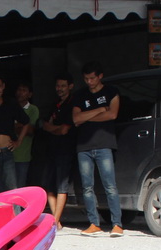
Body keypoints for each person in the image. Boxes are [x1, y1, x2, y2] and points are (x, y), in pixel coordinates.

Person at [73, 61, 123, 237]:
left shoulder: (111, 91)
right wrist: (100, 109)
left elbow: (112, 114)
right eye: (86, 79)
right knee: (87, 187)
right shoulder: (80, 95)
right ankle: (94, 223)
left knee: (110, 186)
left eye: (92, 78)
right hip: (84, 146)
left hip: (104, 144)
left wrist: (86, 117)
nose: (89, 82)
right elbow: (76, 119)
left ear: (100, 76)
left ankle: (117, 224)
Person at [39, 74, 76, 229]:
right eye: (58, 86)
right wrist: (56, 128)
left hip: (65, 149)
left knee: (62, 186)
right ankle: (56, 221)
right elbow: (44, 125)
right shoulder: (54, 104)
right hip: (51, 148)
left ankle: (55, 219)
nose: (59, 89)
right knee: (48, 185)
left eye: (63, 86)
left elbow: (65, 130)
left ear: (70, 86)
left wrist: (52, 128)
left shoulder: (72, 104)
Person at [13, 81, 40, 187]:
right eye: (19, 90)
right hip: (8, 155)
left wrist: (14, 126)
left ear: (30, 94)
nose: (20, 92)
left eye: (24, 90)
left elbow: (30, 130)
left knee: (20, 185)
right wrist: (22, 125)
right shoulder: (11, 107)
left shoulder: (33, 109)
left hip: (24, 155)